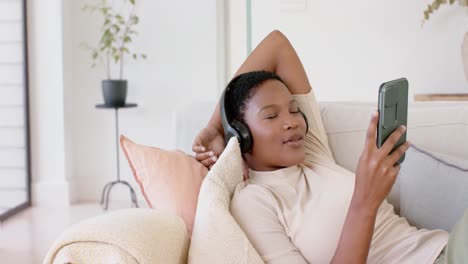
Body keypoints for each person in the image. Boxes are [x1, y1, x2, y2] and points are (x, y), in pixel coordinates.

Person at [192, 30, 467, 264]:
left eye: (295, 110)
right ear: (242, 133)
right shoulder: (254, 201)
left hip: (448, 250)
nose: (292, 122)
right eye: (272, 116)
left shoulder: (311, 153)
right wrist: (365, 200)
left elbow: (277, 44)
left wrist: (214, 126)